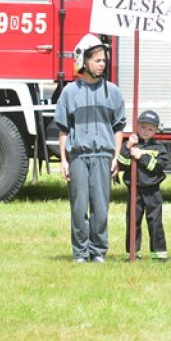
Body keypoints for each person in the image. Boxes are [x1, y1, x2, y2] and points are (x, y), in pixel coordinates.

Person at [54, 34, 126, 263]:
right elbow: (63, 130)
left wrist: (115, 156)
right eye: (96, 60)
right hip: (78, 157)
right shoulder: (69, 93)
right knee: (78, 207)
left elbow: (118, 128)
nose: (102, 63)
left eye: (103, 59)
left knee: (101, 208)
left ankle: (98, 251)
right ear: (83, 62)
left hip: (103, 156)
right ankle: (80, 252)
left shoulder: (113, 91)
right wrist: (64, 160)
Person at [117, 109, 170, 261]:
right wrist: (128, 147)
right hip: (134, 190)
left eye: (150, 129)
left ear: (156, 130)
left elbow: (159, 166)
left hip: (152, 190)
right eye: (143, 127)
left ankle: (159, 254)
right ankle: (133, 253)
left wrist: (142, 156)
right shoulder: (131, 144)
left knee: (155, 221)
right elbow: (122, 163)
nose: (145, 131)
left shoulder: (159, 148)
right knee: (133, 221)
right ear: (137, 126)